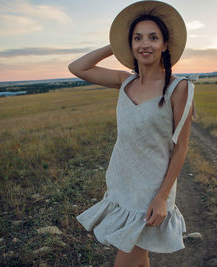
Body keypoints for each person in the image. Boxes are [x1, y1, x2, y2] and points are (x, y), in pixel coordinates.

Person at [68, 1, 197, 266]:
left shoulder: (178, 88)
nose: (144, 44)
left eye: (153, 37)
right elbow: (77, 67)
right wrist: (114, 46)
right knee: (140, 255)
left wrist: (162, 197)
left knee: (126, 259)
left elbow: (181, 148)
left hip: (151, 193)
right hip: (123, 183)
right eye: (137, 38)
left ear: (165, 44)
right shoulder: (123, 81)